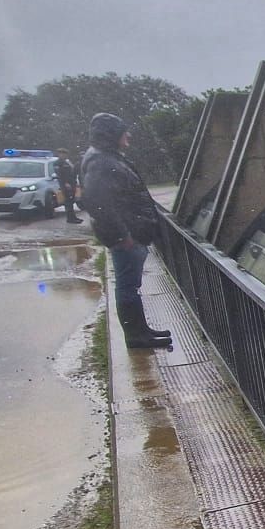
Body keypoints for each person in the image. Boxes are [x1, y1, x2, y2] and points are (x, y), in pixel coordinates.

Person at [78, 113, 173, 351]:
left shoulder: (103, 158)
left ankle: (141, 332)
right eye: (124, 131)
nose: (128, 135)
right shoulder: (102, 162)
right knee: (128, 288)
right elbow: (99, 204)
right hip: (127, 237)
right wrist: (123, 236)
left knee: (129, 287)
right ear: (112, 135)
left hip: (131, 233)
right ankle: (136, 337)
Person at [55, 149, 81, 224]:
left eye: (65, 154)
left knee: (71, 201)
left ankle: (73, 217)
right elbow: (60, 175)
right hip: (66, 185)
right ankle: (70, 218)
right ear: (59, 154)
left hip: (71, 184)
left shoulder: (66, 162)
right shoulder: (58, 163)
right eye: (63, 154)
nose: (65, 155)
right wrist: (65, 183)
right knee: (68, 202)